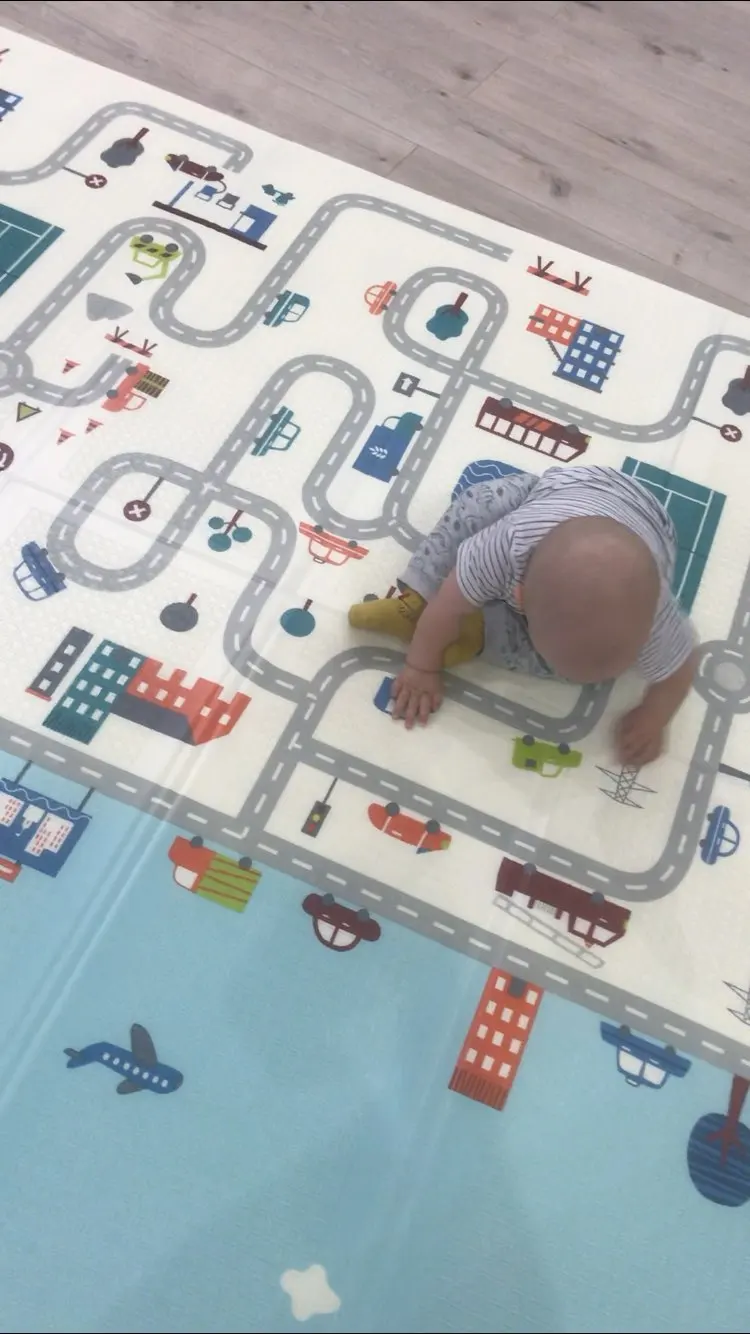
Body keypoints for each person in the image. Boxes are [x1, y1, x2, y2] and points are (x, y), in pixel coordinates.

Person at [348, 466, 698, 765]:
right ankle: (418, 594)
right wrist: (421, 666)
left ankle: (478, 632)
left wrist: (656, 715)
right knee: (476, 505)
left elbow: (681, 668)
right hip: (557, 490)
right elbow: (449, 605)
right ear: (518, 595)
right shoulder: (502, 547)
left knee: (560, 651)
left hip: (649, 523)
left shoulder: (655, 607)